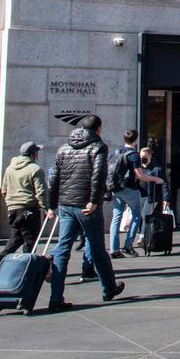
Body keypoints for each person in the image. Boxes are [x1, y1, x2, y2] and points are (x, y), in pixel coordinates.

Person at [47, 114, 121, 309]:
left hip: (65, 205)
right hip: (86, 205)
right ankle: (109, 288)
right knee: (97, 248)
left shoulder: (63, 148)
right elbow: (99, 174)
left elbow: (54, 177)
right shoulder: (98, 147)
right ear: (98, 129)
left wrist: (51, 203)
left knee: (63, 249)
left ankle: (55, 297)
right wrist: (94, 201)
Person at [108, 130, 162, 258]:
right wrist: (155, 179)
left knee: (116, 218)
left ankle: (113, 249)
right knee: (137, 215)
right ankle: (128, 245)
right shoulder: (133, 155)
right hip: (130, 189)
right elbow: (140, 175)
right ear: (136, 140)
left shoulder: (114, 153)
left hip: (115, 189)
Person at [0, 142, 48, 266]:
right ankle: (28, 266)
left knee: (16, 238)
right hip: (29, 208)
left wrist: (11, 202)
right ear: (33, 154)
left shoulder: (10, 168)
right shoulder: (35, 169)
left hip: (13, 209)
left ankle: (1, 260)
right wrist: (46, 207)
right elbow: (41, 191)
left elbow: (4, 189)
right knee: (30, 241)